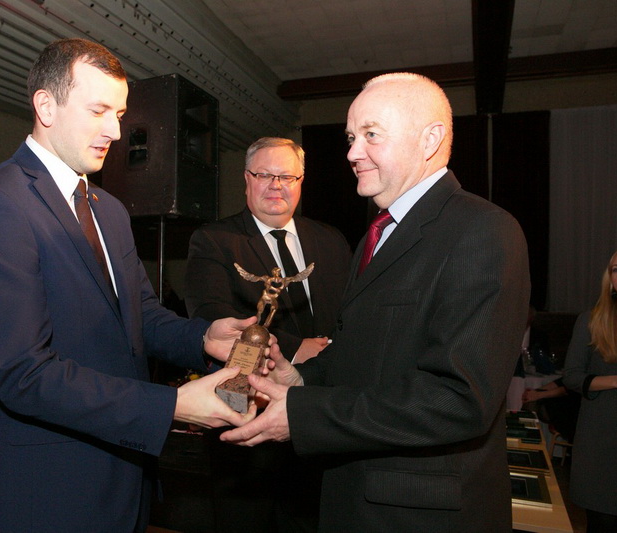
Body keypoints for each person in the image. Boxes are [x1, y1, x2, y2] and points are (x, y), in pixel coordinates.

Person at [0, 38, 256, 533]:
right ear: (46, 106)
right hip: (49, 488)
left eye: (120, 113)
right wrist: (172, 405)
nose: (116, 130)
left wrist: (203, 338)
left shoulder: (108, 209)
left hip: (126, 472)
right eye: (99, 111)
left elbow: (140, 316)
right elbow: (23, 374)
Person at [221, 73, 531, 532]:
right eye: (351, 137)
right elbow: (365, 353)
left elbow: (460, 399)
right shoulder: (379, 232)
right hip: (356, 496)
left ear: (430, 139)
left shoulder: (482, 230)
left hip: (417, 515)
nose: (351, 153)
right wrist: (302, 378)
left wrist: (306, 415)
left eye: (371, 134)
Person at [185, 137, 351, 532]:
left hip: (318, 419)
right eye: (264, 175)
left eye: (287, 177)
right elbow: (211, 316)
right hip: (247, 426)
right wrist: (296, 349)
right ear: (247, 180)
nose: (276, 185)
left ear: (301, 182)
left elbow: (353, 313)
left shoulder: (331, 240)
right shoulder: (214, 240)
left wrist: (329, 355)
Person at [563, 245, 617, 532]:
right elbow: (572, 377)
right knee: (601, 522)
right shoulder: (592, 319)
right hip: (601, 437)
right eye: (616, 269)